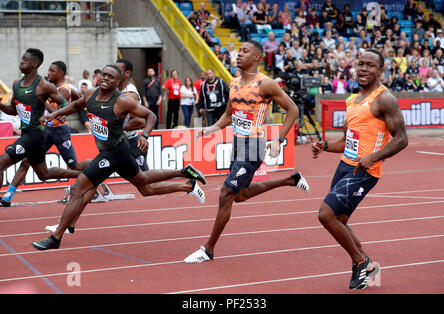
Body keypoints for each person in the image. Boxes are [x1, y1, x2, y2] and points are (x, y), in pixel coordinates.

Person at [30, 64, 207, 250]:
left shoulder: (122, 101)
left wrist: (145, 136)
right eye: (104, 74)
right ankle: (184, 172)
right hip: (114, 151)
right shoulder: (90, 93)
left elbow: (150, 116)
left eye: (111, 77)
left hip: (114, 152)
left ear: (118, 82)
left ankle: (56, 237)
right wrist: (55, 114)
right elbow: (76, 104)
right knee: (144, 184)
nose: (106, 78)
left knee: (77, 188)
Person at [184, 40, 310, 263]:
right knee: (239, 195)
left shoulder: (266, 84)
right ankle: (290, 180)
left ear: (257, 58)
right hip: (237, 143)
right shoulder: (232, 83)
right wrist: (210, 129)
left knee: (225, 195)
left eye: (244, 51)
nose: (238, 54)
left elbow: (292, 109)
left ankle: (208, 250)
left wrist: (279, 140)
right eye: (238, 51)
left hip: (254, 146)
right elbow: (229, 116)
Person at [311, 49, 408, 290]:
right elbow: (346, 143)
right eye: (361, 64)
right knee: (340, 220)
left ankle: (360, 260)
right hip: (345, 166)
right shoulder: (352, 100)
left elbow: (402, 139)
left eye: (370, 65)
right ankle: (370, 266)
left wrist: (374, 156)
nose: (364, 69)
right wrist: (325, 147)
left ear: (380, 70)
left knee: (326, 215)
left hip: (364, 171)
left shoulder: (385, 99)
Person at [0, 60, 91, 207]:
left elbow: (71, 104)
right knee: (28, 164)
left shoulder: (64, 89)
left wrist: (62, 110)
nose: (48, 73)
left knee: (75, 166)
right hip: (44, 130)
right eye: (48, 70)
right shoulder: (45, 87)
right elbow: (76, 104)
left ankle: (91, 170)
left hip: (59, 132)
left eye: (52, 71)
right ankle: (7, 196)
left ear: (61, 73)